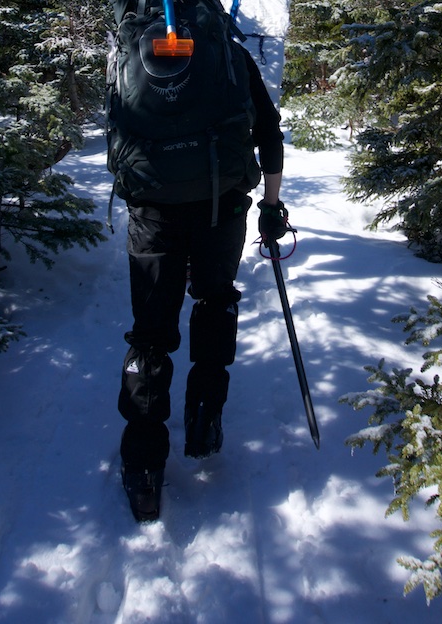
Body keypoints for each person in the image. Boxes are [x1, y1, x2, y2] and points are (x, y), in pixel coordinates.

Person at [116, 41, 288, 523]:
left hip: (153, 207)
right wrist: (271, 206)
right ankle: (204, 418)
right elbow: (269, 131)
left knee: (150, 332)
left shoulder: (131, 48)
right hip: (223, 203)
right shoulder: (228, 52)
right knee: (215, 299)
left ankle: (144, 467)